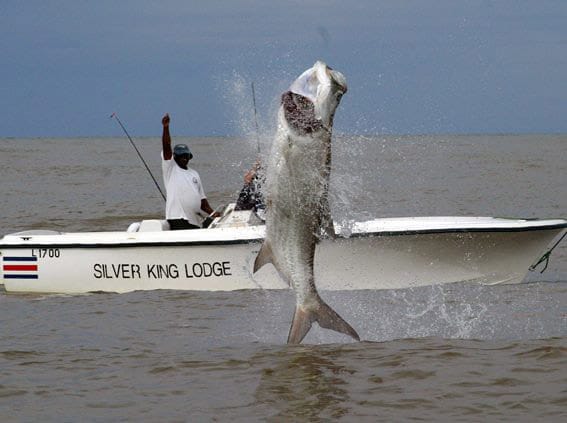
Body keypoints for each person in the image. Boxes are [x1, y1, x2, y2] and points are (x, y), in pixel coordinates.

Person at [161, 113, 219, 230]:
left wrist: (213, 214)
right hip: (178, 218)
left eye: (186, 155)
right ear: (175, 157)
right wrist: (166, 127)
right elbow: (166, 146)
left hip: (195, 220)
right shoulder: (170, 168)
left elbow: (203, 201)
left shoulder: (194, 173)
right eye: (181, 155)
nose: (184, 157)